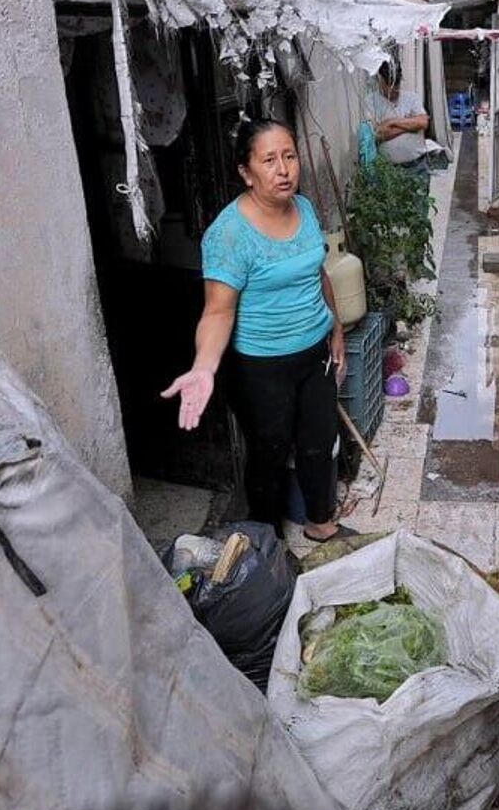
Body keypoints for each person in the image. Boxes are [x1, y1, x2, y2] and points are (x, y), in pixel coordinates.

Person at [162, 119, 355, 543]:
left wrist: (335, 327)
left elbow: (317, 272)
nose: (283, 169)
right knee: (268, 455)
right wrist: (204, 367)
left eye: (289, 156)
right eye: (269, 160)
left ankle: (320, 523)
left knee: (319, 443)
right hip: (262, 366)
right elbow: (217, 313)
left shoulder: (303, 208)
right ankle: (269, 543)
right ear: (246, 172)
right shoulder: (229, 235)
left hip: (315, 353)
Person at [369, 60, 442, 170]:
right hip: (389, 170)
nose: (395, 89)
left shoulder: (412, 98)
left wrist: (391, 122)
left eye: (397, 84)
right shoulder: (371, 102)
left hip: (417, 164)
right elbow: (378, 134)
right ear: (381, 80)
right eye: (390, 85)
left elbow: (423, 122)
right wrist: (411, 126)